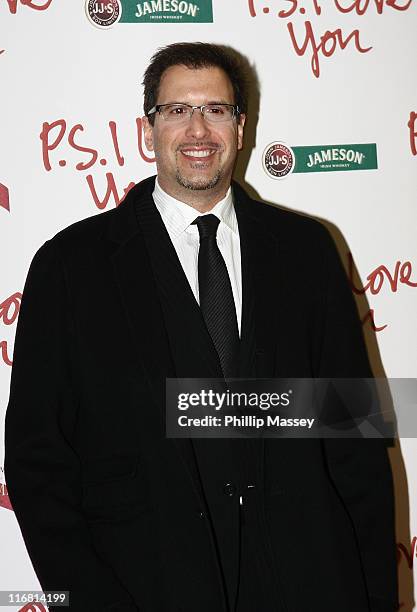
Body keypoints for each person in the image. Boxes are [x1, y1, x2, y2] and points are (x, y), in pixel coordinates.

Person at [5, 42, 398, 612]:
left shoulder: (309, 251)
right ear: (148, 129)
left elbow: (356, 437)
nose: (198, 130)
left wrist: (375, 595)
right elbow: (38, 461)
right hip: (144, 586)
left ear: (241, 127)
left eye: (216, 110)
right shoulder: (70, 266)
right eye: (177, 110)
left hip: (308, 581)